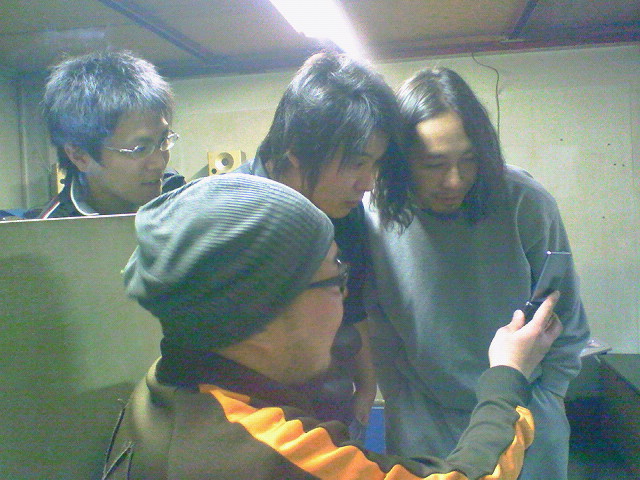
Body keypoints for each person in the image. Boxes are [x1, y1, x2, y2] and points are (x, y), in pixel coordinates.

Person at [103, 172, 562, 480]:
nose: (345, 297)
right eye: (333, 280)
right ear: (258, 316)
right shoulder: (271, 454)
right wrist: (507, 375)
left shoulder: (165, 383)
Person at [366, 67, 590, 479]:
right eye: (434, 164)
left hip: (525, 417)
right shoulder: (373, 215)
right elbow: (378, 329)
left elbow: (566, 318)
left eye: (469, 159)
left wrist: (547, 402)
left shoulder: (525, 202)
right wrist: (402, 410)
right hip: (424, 427)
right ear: (400, 162)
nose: (455, 181)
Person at [236, 50, 404, 438]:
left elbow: (354, 304)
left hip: (335, 414)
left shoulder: (346, 212)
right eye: (356, 163)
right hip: (255, 426)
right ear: (297, 153)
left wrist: (366, 385)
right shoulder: (233, 215)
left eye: (375, 164)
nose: (367, 183)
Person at [26, 50, 184, 219]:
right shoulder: (53, 230)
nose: (160, 163)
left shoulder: (176, 194)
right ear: (79, 155)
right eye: (140, 149)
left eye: (163, 141)